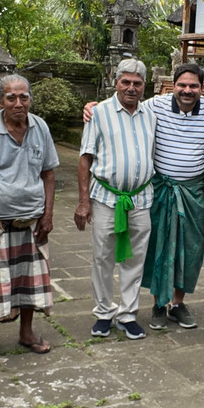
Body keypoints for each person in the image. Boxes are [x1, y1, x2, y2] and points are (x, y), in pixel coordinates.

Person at [83, 63, 204, 331]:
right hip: (159, 189)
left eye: (193, 86)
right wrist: (92, 107)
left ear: (202, 88)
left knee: (190, 249)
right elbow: (123, 104)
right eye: (182, 85)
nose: (187, 90)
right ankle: (158, 304)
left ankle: (176, 303)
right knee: (157, 248)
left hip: (194, 192)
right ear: (172, 86)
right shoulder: (154, 106)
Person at [0, 73, 59, 359]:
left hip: (31, 221)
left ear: (30, 99)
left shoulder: (40, 127)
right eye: (11, 97)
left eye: (24, 97)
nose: (18, 103)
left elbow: (48, 173)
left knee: (28, 281)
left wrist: (48, 215)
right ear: (0, 100)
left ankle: (26, 332)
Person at [75, 59, 156, 340]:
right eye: (126, 82)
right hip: (105, 198)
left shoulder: (151, 113)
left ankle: (128, 313)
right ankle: (103, 313)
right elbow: (85, 159)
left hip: (141, 199)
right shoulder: (99, 113)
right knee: (103, 257)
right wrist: (83, 201)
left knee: (135, 259)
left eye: (137, 83)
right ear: (116, 82)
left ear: (144, 86)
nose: (131, 88)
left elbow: (189, 95)